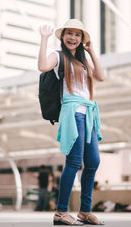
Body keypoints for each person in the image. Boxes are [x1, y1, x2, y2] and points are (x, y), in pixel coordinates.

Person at [38, 19, 105, 225]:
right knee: (74, 162)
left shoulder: (84, 62)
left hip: (89, 113)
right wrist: (44, 39)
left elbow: (101, 77)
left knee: (93, 161)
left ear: (82, 39)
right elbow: (42, 66)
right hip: (73, 112)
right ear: (63, 36)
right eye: (69, 33)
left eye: (77, 34)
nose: (73, 38)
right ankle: (60, 212)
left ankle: (84, 211)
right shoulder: (58, 57)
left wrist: (92, 51)